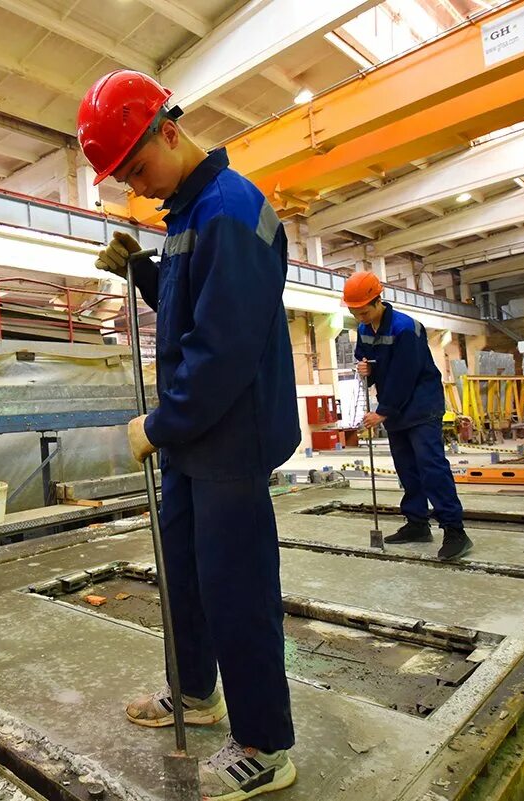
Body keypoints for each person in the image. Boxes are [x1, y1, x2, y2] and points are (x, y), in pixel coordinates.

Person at [79, 70, 300, 801]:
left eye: (137, 168)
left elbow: (222, 347)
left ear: (168, 130)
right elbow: (189, 306)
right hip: (192, 443)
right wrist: (143, 268)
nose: (137, 188)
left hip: (228, 439)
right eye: (124, 179)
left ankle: (267, 745)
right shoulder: (188, 214)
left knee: (236, 591)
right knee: (186, 578)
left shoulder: (232, 209)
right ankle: (195, 692)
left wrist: (160, 422)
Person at [345, 270, 472, 560]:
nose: (360, 317)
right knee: (406, 468)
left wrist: (382, 412)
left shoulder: (406, 329)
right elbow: (367, 359)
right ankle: (417, 523)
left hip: (420, 406)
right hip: (396, 409)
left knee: (431, 467)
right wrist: (367, 369)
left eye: (363, 311)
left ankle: (455, 531)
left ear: (378, 301)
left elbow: (406, 375)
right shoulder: (365, 329)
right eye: (354, 312)